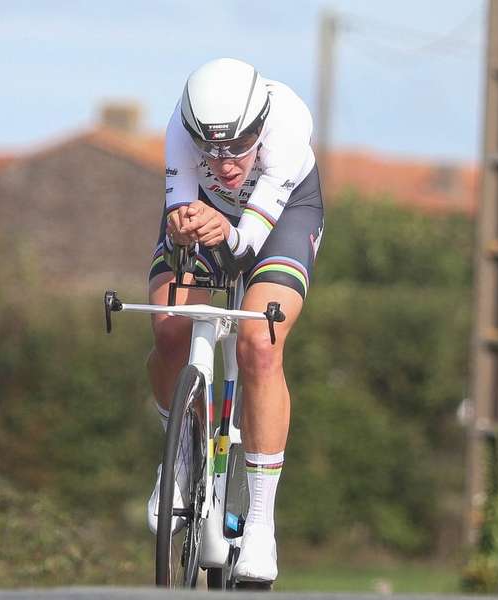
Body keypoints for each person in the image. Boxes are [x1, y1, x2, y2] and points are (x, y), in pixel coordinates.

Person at [146, 57, 324, 583]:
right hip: (207, 214)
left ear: (261, 128)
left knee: (259, 341)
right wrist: (184, 225)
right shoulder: (179, 128)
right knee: (171, 327)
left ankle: (263, 522)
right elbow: (179, 213)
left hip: (283, 215)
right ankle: (178, 454)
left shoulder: (289, 128)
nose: (224, 164)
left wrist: (224, 230)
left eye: (239, 147)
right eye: (211, 149)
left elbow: (246, 244)